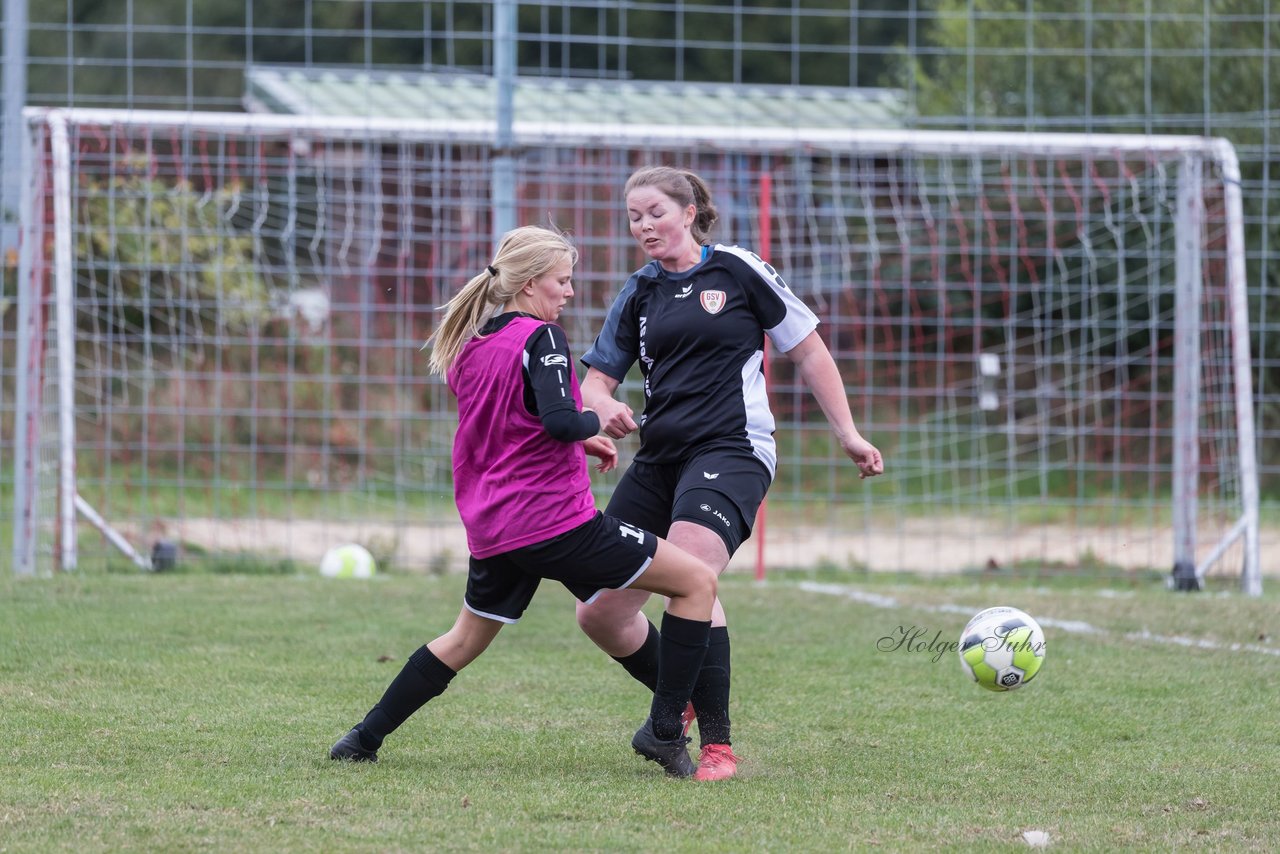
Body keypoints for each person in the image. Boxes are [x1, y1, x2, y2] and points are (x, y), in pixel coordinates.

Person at [329, 225, 720, 778]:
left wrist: (576, 435)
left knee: (464, 638)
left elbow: (513, 423)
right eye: (562, 281)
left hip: (494, 526)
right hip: (554, 524)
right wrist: (596, 419)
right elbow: (560, 419)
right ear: (532, 282)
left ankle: (361, 739)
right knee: (696, 582)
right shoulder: (543, 339)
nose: (569, 292)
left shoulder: (471, 345)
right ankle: (664, 731)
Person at [577, 167, 885, 781]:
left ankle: (706, 742)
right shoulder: (637, 291)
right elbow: (596, 379)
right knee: (600, 613)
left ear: (689, 211)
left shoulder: (738, 269)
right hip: (660, 459)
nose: (644, 226)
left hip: (732, 449)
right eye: (634, 216)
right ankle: (684, 700)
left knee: (691, 571)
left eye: (655, 212)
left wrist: (848, 432)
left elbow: (808, 348)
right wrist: (602, 407)